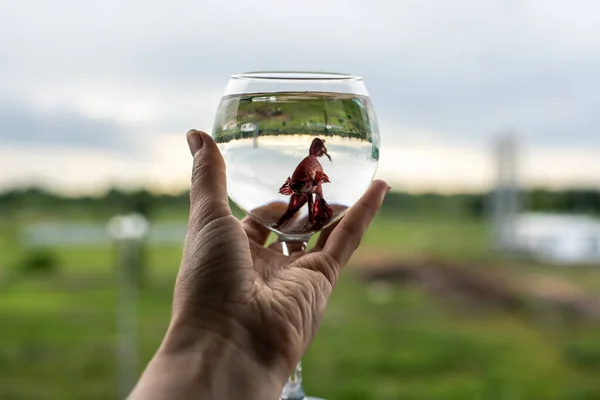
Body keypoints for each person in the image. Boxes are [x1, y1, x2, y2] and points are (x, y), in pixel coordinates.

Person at [128, 130, 390, 400]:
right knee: (290, 211)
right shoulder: (310, 164)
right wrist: (211, 325)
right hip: (301, 195)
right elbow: (303, 186)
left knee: (292, 211)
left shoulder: (313, 164)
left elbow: (310, 186)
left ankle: (289, 389)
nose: (323, 153)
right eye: (321, 150)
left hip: (304, 197)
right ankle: (290, 390)